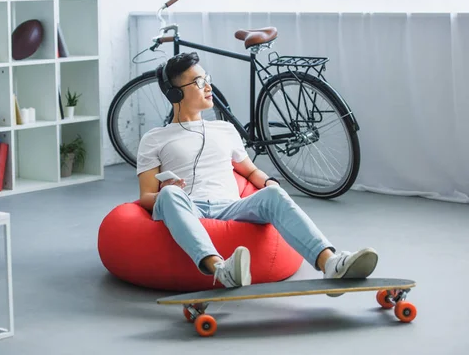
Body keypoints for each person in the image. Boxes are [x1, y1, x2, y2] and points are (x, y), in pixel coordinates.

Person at [136, 52, 378, 289]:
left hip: (230, 205)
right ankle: (221, 269)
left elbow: (251, 172)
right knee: (169, 195)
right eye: (199, 82)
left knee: (274, 194)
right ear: (175, 92)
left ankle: (331, 263)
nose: (208, 86)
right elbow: (146, 197)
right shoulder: (154, 138)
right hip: (189, 205)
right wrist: (166, 192)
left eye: (207, 78)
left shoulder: (224, 129)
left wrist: (270, 183)